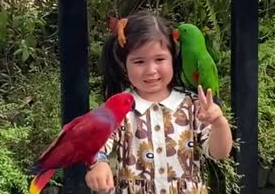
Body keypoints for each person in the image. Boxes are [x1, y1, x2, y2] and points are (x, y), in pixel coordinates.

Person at [85, 10, 233, 194]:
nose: (151, 70)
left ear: (173, 59)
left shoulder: (193, 105)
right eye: (139, 61)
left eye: (160, 59)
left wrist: (219, 123)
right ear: (124, 66)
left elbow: (220, 153)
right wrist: (98, 163)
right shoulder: (120, 107)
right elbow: (95, 142)